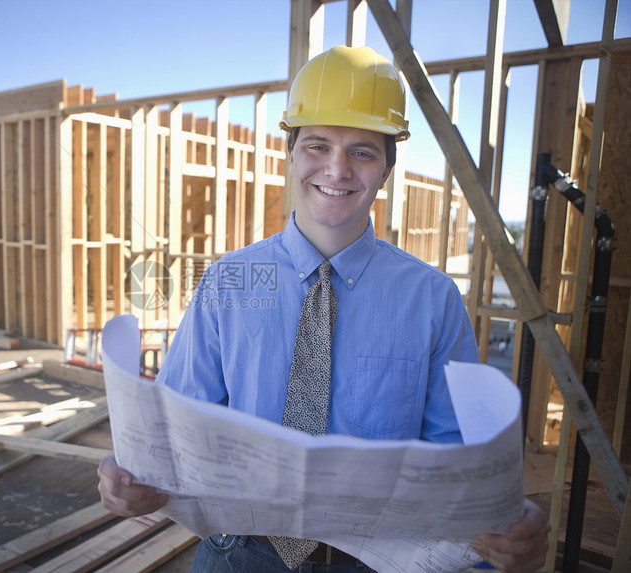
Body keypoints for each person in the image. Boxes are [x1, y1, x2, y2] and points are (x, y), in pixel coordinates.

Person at [98, 45, 549, 573]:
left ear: (385, 171)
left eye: (363, 151)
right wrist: (129, 475)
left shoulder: (432, 299)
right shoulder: (230, 281)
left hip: (373, 561)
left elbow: (459, 468)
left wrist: (502, 526)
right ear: (290, 154)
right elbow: (170, 435)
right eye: (317, 145)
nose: (337, 170)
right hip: (239, 554)